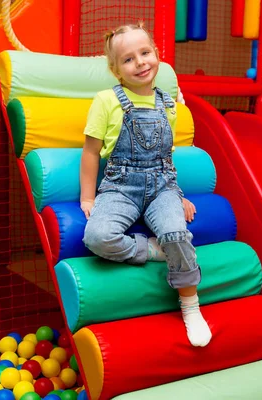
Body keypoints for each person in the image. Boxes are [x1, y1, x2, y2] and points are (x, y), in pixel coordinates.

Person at [79, 22, 212, 347]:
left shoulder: (168, 104)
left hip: (161, 186)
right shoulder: (106, 100)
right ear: (115, 69)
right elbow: (91, 151)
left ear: (156, 55)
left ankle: (190, 306)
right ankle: (152, 250)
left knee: (177, 234)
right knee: (96, 237)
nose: (139, 62)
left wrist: (177, 195)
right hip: (120, 185)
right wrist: (87, 197)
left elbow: (166, 157)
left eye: (145, 53)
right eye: (128, 59)